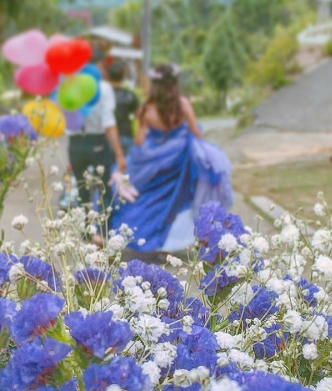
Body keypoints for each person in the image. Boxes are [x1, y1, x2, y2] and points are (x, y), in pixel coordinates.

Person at [110, 63, 232, 253]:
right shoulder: (183, 104)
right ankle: (172, 241)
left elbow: (139, 141)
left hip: (153, 162)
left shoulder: (147, 107)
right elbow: (195, 132)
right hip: (179, 161)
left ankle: (141, 235)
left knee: (149, 198)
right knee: (176, 201)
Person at [67, 50, 126, 211]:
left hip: (75, 143)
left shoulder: (70, 86)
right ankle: (102, 225)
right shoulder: (103, 88)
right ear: (99, 64)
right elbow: (109, 124)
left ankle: (85, 224)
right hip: (97, 142)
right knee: (103, 187)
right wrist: (120, 155)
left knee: (82, 189)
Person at [106, 60, 139, 158]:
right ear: (123, 77)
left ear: (108, 76)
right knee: (125, 166)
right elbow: (138, 115)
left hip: (107, 136)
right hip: (126, 134)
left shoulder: (104, 95)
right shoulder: (130, 95)